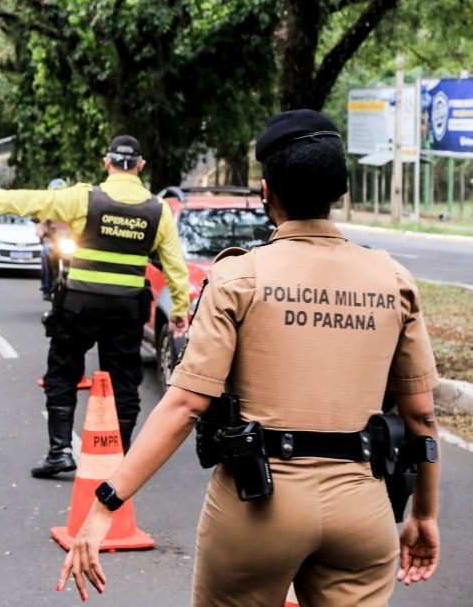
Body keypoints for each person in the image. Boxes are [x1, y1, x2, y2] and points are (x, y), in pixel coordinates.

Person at [56, 110, 440, 605]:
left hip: (258, 505)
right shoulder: (395, 280)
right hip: (363, 511)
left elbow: (184, 406)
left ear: (267, 192)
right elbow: (422, 415)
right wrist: (423, 515)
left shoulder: (239, 278)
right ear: (339, 193)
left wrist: (105, 503)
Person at [0, 135, 190, 477]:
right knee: (124, 382)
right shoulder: (158, 211)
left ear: (106, 163)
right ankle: (119, 462)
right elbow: (175, 266)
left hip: (80, 306)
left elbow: (33, 200)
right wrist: (179, 309)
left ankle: (60, 451)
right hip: (125, 311)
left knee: (62, 372)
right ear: (140, 166)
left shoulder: (84, 198)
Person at [37, 178, 71, 300]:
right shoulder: (47, 209)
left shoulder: (72, 208)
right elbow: (40, 225)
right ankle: (46, 286)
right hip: (52, 243)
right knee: (45, 253)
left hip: (69, 243)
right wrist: (41, 232)